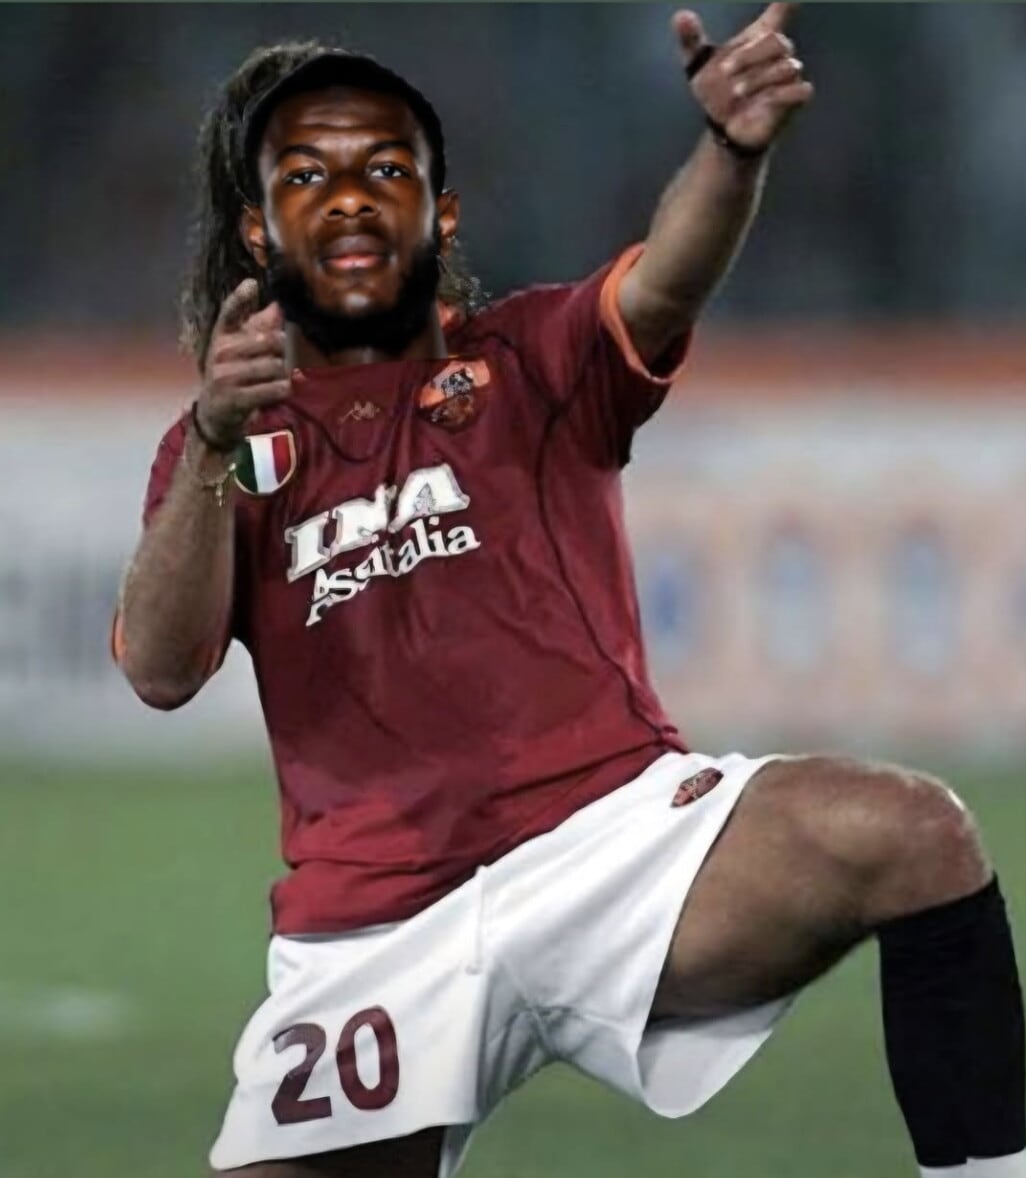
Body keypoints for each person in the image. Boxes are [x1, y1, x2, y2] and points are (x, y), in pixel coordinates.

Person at [113, 6, 1025, 1177]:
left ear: (441, 215)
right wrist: (210, 439)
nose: (349, 200)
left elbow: (666, 279)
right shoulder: (232, 449)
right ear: (258, 229)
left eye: (386, 170)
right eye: (308, 178)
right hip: (376, 931)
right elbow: (160, 669)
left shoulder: (528, 357)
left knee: (913, 834)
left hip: (612, 848)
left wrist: (730, 153)